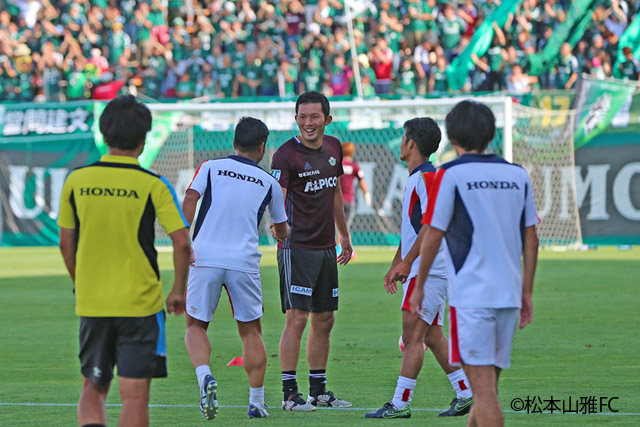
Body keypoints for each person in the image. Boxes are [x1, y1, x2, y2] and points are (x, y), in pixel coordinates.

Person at [57, 95, 191, 427]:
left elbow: (65, 244)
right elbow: (182, 242)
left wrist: (81, 282)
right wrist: (178, 291)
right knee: (134, 397)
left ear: (104, 135)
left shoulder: (76, 181)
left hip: (93, 302)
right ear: (144, 140)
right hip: (140, 305)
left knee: (93, 384)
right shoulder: (153, 185)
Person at [412, 100, 539, 427]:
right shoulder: (517, 174)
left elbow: (433, 234)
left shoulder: (450, 174)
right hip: (508, 296)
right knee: (488, 389)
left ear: (452, 137)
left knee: (483, 394)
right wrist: (526, 293)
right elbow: (531, 238)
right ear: (491, 133)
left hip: (472, 298)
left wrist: (420, 286)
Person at [181, 117, 289, 420]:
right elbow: (281, 230)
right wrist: (283, 234)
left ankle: (205, 376)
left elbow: (191, 198)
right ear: (263, 147)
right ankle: (257, 402)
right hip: (243, 261)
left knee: (195, 326)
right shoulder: (270, 183)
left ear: (234, 143)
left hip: (204, 256)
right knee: (251, 333)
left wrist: (183, 237)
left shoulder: (210, 167)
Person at [365, 117, 472, 419]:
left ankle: (400, 403)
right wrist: (396, 265)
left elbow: (431, 224)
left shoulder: (427, 178)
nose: (400, 142)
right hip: (430, 267)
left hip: (431, 269)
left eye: (402, 138)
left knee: (412, 337)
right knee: (431, 336)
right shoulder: (419, 178)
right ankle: (466, 393)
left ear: (411, 143)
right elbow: (413, 231)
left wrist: (409, 263)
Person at [271, 91, 353, 411]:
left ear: (327, 120)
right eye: (302, 117)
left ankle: (319, 390)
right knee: (297, 319)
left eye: (314, 117)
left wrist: (343, 235)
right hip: (297, 248)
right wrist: (280, 230)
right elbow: (276, 197)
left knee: (325, 319)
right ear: (296, 119)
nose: (308, 123)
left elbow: (334, 193)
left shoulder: (333, 148)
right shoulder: (285, 155)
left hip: (325, 247)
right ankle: (290, 394)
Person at [339, 141, 371, 229]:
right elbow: (361, 181)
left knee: (337, 225)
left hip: (337, 200)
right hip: (349, 199)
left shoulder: (337, 165)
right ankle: (340, 242)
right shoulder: (354, 166)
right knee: (345, 227)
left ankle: (338, 242)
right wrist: (366, 193)